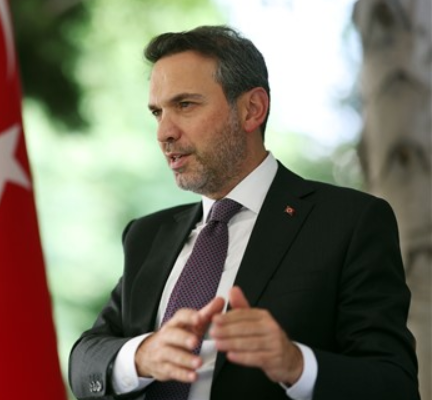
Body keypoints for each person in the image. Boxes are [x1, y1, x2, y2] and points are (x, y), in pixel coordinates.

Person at [68, 25, 419, 400]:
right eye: (157, 112)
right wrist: (141, 356)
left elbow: (394, 385)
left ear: (252, 109)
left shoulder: (348, 222)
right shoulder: (146, 234)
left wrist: (296, 364)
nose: (164, 132)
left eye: (185, 105)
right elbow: (84, 360)